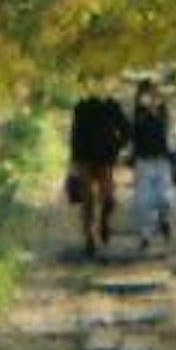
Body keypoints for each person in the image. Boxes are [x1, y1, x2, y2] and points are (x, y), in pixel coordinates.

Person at [64, 87, 129, 256]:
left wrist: (116, 145)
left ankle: (99, 226)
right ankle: (91, 235)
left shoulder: (99, 106)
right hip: (91, 157)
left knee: (100, 198)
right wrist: (117, 146)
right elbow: (75, 134)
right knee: (93, 198)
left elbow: (75, 134)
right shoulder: (90, 106)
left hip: (94, 158)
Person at [124, 78, 176, 247]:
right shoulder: (136, 113)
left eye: (151, 94)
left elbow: (170, 133)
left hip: (162, 161)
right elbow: (131, 136)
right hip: (143, 162)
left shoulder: (163, 112)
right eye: (145, 94)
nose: (149, 98)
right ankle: (145, 235)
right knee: (142, 201)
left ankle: (163, 220)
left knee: (165, 199)